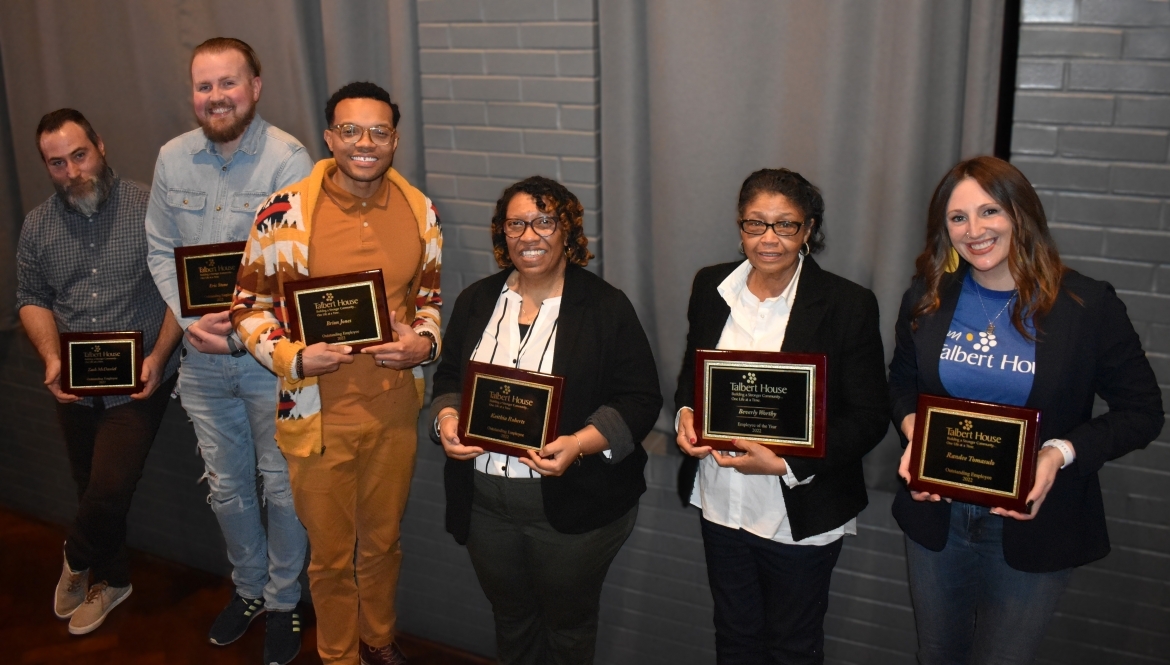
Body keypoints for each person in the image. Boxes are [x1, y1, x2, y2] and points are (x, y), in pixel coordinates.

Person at [889, 156, 1164, 665]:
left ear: (1021, 214)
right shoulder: (927, 297)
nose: (975, 230)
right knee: (937, 656)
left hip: (1034, 525)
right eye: (958, 218)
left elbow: (1143, 412)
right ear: (945, 230)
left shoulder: (1086, 305)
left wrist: (1057, 454)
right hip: (938, 521)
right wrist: (915, 437)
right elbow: (902, 387)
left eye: (989, 211)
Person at [231, 80, 442, 665]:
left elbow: (429, 301)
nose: (364, 143)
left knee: (383, 543)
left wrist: (423, 345)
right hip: (316, 418)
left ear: (394, 139)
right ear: (330, 137)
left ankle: (378, 638)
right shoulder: (281, 214)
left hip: (395, 410)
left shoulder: (420, 210)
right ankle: (338, 654)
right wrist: (294, 358)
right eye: (350, 131)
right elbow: (246, 309)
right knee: (328, 557)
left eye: (378, 131)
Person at [431, 176, 662, 665]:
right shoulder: (477, 300)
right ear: (502, 232)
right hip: (485, 504)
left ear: (567, 231)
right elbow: (450, 377)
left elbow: (639, 398)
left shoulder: (604, 306)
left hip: (571, 504)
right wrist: (447, 418)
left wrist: (579, 443)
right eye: (517, 223)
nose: (529, 235)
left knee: (568, 626)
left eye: (544, 221)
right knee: (511, 619)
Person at [674, 168, 889, 664]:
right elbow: (693, 371)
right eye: (756, 224)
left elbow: (870, 415)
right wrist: (687, 412)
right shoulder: (711, 286)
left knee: (793, 647)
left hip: (799, 509)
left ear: (809, 229)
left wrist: (788, 464)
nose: (768, 238)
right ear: (740, 225)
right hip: (721, 501)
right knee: (733, 636)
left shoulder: (847, 303)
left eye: (785, 225)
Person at [144, 37, 312, 664]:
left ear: (256, 87)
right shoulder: (172, 159)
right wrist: (191, 319)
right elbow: (161, 246)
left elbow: (295, 266)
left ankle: (285, 599)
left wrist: (241, 326)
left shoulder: (288, 160)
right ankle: (248, 590)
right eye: (204, 86)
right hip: (203, 363)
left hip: (269, 364)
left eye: (228, 83)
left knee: (281, 487)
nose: (216, 97)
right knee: (227, 487)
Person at [16, 109, 183, 635]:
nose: (72, 172)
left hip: (140, 380)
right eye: (57, 163)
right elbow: (31, 297)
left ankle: (74, 559)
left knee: (110, 486)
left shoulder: (148, 206)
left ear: (101, 146)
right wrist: (50, 358)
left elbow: (181, 288)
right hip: (74, 384)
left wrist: (158, 358)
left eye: (79, 155)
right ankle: (113, 580)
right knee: (88, 484)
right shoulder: (38, 225)